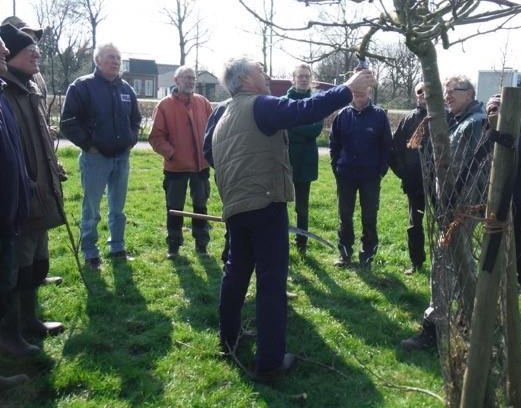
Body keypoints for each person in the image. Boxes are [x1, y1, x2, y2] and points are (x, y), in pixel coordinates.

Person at [212, 57, 374, 380]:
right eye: (260, 72)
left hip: (235, 207)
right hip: (266, 204)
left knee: (236, 273)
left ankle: (228, 340)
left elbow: (210, 155)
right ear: (245, 80)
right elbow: (303, 111)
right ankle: (270, 362)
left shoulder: (224, 115)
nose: (267, 75)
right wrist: (348, 89)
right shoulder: (259, 105)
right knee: (271, 283)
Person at [401, 75, 487, 351]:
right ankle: (465, 320)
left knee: (444, 264)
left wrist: (451, 208)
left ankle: (436, 328)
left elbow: (461, 171)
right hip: (457, 207)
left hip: (460, 208)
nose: (448, 95)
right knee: (458, 262)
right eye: (446, 91)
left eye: (454, 91)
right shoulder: (460, 121)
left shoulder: (473, 124)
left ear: (471, 93)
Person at [0, 24, 65, 344]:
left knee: (38, 262)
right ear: (10, 55)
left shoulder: (30, 89)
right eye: (30, 51)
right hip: (19, 197)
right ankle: (12, 335)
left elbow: (39, 139)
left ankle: (30, 319)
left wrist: (53, 167)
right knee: (17, 269)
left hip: (40, 193)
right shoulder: (7, 92)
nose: (37, 53)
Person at [60, 43, 142, 270]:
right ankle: (90, 253)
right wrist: (89, 145)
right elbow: (67, 121)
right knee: (92, 209)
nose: (115, 61)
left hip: (121, 158)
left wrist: (131, 140)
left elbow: (136, 120)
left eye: (118, 57)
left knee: (118, 209)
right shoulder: (82, 86)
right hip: (95, 158)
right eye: (110, 57)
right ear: (97, 61)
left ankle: (117, 248)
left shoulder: (126, 89)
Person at [149, 66, 213, 259]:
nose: (190, 81)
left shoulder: (203, 103)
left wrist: (209, 153)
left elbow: (214, 130)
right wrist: (172, 154)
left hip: (200, 167)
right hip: (175, 167)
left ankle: (201, 245)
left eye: (193, 78)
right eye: (186, 78)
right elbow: (155, 137)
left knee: (201, 207)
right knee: (174, 208)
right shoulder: (164, 105)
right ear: (176, 81)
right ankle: (174, 246)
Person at [329, 84, 392, 268]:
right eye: (355, 90)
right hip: (345, 174)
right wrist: (336, 167)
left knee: (369, 215)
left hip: (370, 176)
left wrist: (381, 170)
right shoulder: (342, 115)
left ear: (370, 90)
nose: (359, 93)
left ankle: (367, 255)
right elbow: (334, 144)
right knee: (345, 215)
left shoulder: (379, 115)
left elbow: (386, 146)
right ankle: (345, 253)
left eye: (363, 89)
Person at [0, 33, 32, 389]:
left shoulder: (2, 97)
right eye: (0, 49)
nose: (6, 52)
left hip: (8, 217)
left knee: (4, 288)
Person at [486, 93, 521, 294]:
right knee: (496, 233)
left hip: (519, 193)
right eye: (490, 109)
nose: (494, 112)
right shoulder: (488, 127)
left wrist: (500, 138)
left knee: (516, 235)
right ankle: (501, 275)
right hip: (497, 192)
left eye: (497, 108)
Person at [282, 64, 324, 255]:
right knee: (280, 205)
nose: (304, 79)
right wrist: (300, 126)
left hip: (305, 162)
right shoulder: (283, 101)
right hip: (284, 161)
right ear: (293, 78)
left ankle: (302, 243)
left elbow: (314, 131)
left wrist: (292, 124)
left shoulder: (316, 101)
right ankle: (279, 240)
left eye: (307, 76)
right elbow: (281, 129)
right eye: (300, 76)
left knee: (302, 208)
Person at [390, 83, 429, 275]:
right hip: (414, 183)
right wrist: (403, 173)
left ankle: (445, 261)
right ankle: (417, 261)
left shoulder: (445, 118)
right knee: (415, 224)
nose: (424, 95)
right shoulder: (408, 119)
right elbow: (394, 149)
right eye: (420, 91)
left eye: (427, 91)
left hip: (440, 182)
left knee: (444, 223)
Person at [203, 98, 231, 263]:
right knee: (233, 218)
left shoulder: (264, 106)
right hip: (229, 176)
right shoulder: (223, 109)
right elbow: (208, 148)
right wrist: (225, 170)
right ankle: (229, 256)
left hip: (258, 177)